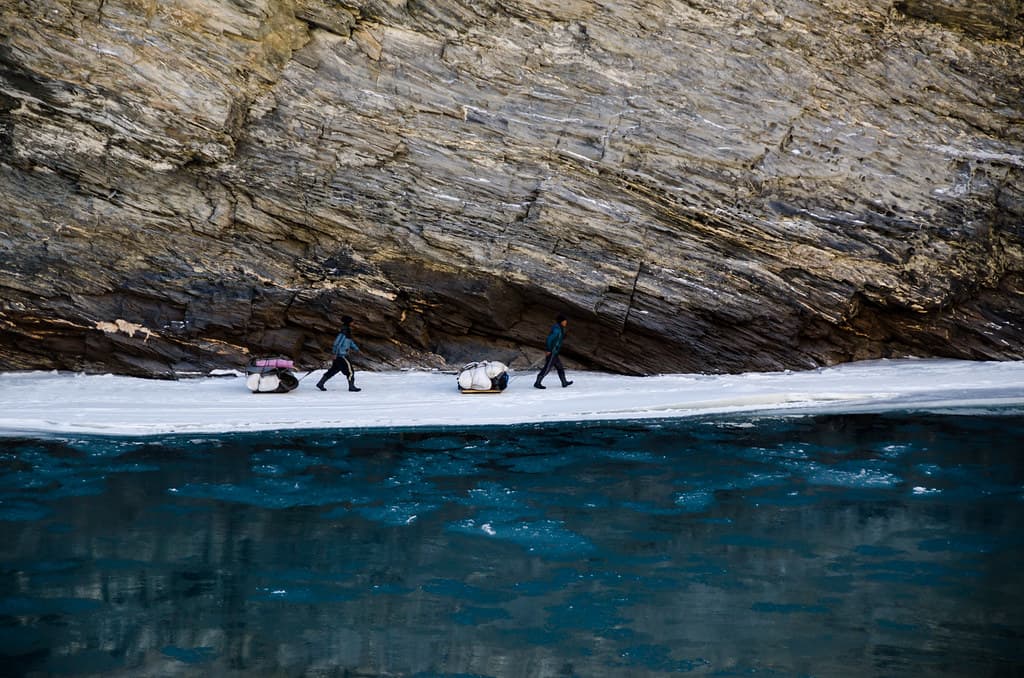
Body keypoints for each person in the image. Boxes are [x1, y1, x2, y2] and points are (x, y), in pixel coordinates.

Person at [316, 315, 361, 392]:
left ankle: (320, 383)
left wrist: (356, 349)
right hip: (341, 355)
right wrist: (334, 354)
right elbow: (337, 344)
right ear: (349, 322)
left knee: (334, 370)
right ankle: (351, 387)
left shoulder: (347, 331)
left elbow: (350, 342)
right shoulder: (344, 332)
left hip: (341, 355)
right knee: (350, 371)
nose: (353, 323)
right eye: (352, 322)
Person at [534, 313, 573, 389]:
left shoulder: (560, 328)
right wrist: (548, 350)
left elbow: (558, 340)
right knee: (547, 368)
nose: (566, 322)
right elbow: (549, 339)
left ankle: (564, 382)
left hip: (555, 352)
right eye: (565, 321)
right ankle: (537, 383)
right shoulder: (557, 329)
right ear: (561, 321)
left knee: (560, 367)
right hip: (552, 352)